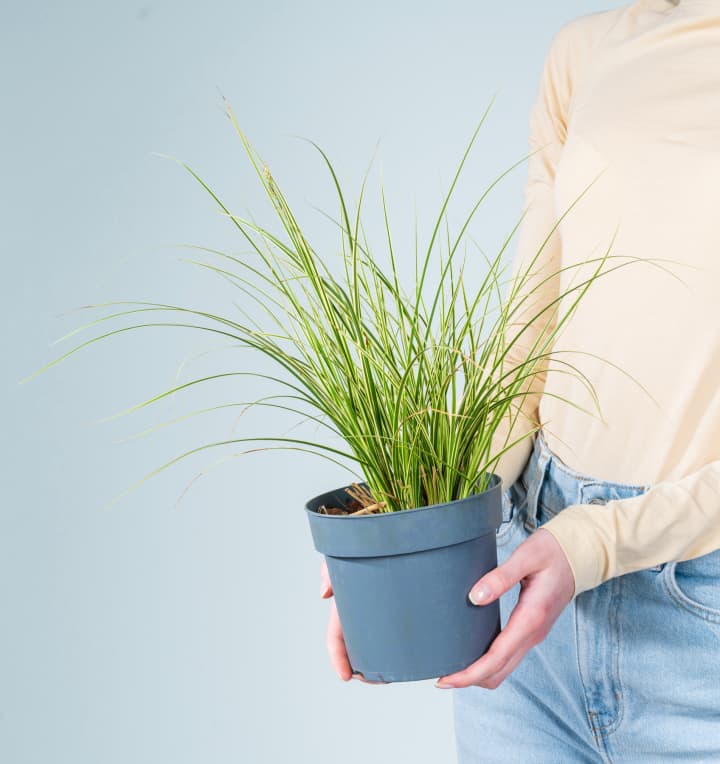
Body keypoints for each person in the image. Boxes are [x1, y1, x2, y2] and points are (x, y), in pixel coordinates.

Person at [321, 0, 720, 760]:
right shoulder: (588, 51)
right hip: (534, 577)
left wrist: (599, 541)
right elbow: (530, 323)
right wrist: (417, 522)